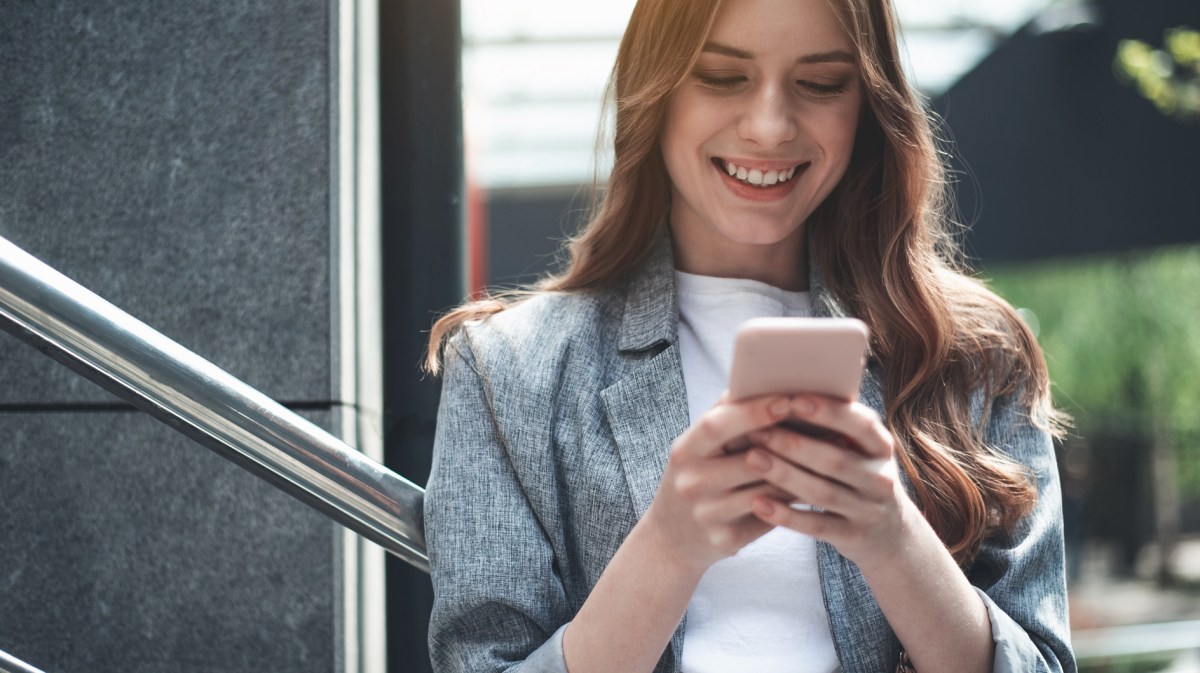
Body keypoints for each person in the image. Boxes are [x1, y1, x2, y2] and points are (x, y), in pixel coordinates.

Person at [423, 0, 1075, 671]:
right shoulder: (510, 370)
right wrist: (668, 548)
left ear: (869, 104)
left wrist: (893, 539)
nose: (769, 126)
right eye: (721, 77)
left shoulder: (974, 357)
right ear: (658, 87)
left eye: (821, 84)